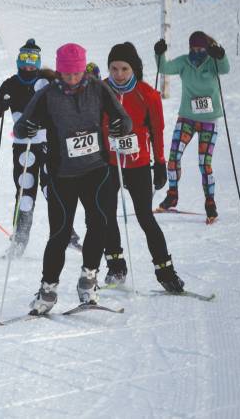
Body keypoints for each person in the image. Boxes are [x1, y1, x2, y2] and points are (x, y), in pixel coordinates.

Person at [14, 43, 132, 314]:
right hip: (61, 174)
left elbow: (123, 120)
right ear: (59, 72)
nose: (71, 79)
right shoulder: (47, 94)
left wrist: (119, 126)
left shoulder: (98, 88)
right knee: (60, 233)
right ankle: (48, 290)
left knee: (100, 223)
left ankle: (88, 279)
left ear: (83, 69)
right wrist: (28, 128)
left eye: (76, 74)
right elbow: (21, 127)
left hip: (96, 170)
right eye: (65, 75)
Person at [91, 42, 184, 292]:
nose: (119, 74)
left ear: (134, 69)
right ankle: (116, 267)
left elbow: (157, 131)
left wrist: (160, 164)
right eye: (114, 68)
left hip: (138, 165)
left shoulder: (148, 95)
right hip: (108, 164)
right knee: (107, 215)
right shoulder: (100, 91)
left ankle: (166, 273)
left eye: (124, 68)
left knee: (145, 217)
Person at [0, 39, 85, 255]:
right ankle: (20, 240)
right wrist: (2, 103)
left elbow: (64, 107)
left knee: (54, 189)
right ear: (18, 61)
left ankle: (67, 233)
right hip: (23, 146)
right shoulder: (11, 84)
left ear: (39, 62)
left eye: (33, 61)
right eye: (24, 60)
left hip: (49, 143)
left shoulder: (47, 82)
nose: (28, 66)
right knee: (25, 191)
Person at [154, 31, 230, 224]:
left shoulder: (212, 62)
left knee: (204, 163)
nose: (196, 52)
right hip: (187, 118)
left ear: (206, 48)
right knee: (173, 158)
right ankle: (172, 195)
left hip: (209, 120)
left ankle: (210, 203)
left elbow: (225, 68)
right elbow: (164, 67)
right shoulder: (184, 62)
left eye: (200, 49)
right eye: (193, 49)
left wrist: (220, 54)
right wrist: (159, 53)